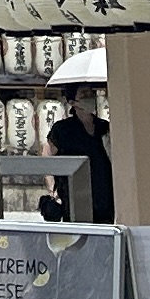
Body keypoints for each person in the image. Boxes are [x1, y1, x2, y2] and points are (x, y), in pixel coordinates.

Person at [41, 72, 115, 225]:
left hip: (105, 195)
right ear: (73, 102)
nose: (90, 97)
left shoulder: (104, 127)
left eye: (91, 93)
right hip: (74, 196)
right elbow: (47, 156)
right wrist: (52, 190)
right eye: (84, 94)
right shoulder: (62, 130)